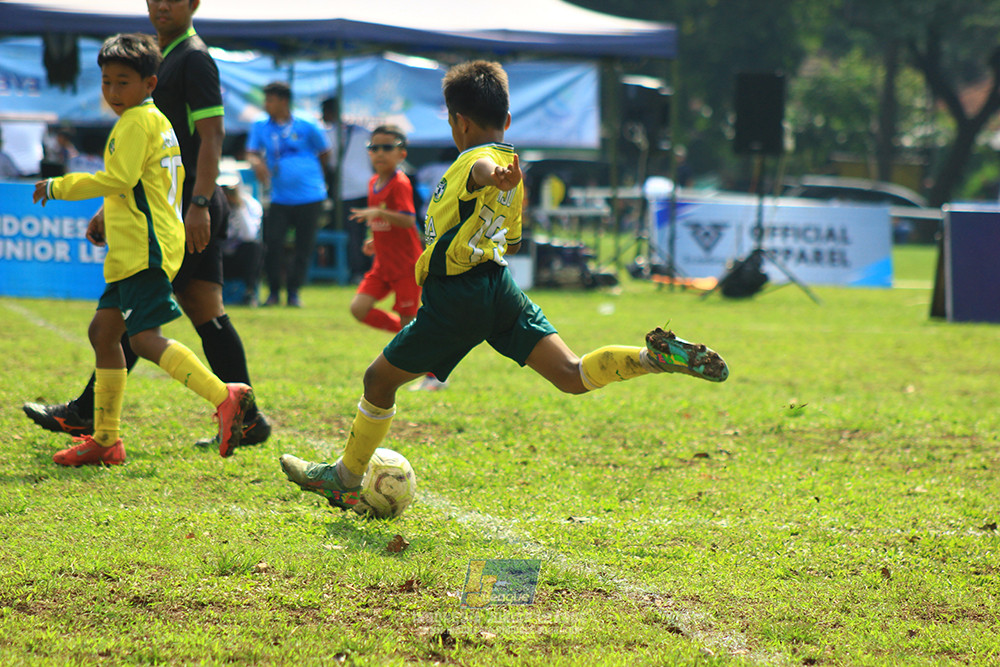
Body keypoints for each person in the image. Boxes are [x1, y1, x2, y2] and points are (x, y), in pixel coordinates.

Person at [278, 61, 730, 510]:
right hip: (498, 286)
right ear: (508, 120)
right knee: (571, 375)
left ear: (459, 121)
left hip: (457, 294)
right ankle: (651, 358)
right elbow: (510, 240)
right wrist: (500, 186)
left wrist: (491, 177)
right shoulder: (513, 172)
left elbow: (481, 168)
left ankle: (345, 477)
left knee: (378, 380)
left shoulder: (480, 161)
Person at [22, 0, 270, 452]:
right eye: (108, 82)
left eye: (123, 82)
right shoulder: (159, 73)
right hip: (156, 219)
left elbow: (211, 137)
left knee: (148, 331)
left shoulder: (192, 60)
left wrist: (199, 203)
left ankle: (231, 400)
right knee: (121, 327)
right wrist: (109, 209)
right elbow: (135, 175)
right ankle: (104, 434)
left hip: (169, 223)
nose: (161, 4)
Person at [247, 81, 332, 307]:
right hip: (279, 197)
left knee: (303, 246)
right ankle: (274, 292)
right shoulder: (260, 125)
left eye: (270, 100)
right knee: (273, 243)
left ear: (284, 101)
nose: (266, 105)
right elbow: (252, 152)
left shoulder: (307, 123)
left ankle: (294, 293)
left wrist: (314, 178)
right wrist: (256, 163)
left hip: (311, 196)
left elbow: (325, 152)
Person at [348, 124, 422, 334]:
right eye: (374, 148)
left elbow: (408, 220)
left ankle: (421, 359)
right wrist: (375, 238)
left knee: (409, 319)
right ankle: (405, 335)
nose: (380, 153)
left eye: (387, 148)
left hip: (406, 266)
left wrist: (378, 214)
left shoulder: (400, 182)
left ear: (402, 154)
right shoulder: (373, 182)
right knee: (358, 309)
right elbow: (386, 221)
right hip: (383, 265)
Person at [320, 97, 373, 283]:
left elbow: (328, 162)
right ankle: (370, 269)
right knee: (369, 232)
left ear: (327, 113)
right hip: (368, 187)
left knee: (352, 234)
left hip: (347, 191)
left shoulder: (329, 134)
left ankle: (357, 271)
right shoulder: (362, 131)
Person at [218, 171, 263, 307]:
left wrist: (238, 207)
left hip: (239, 256)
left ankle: (249, 293)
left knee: (255, 247)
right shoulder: (212, 204)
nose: (226, 193)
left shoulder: (251, 205)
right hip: (219, 255)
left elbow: (249, 235)